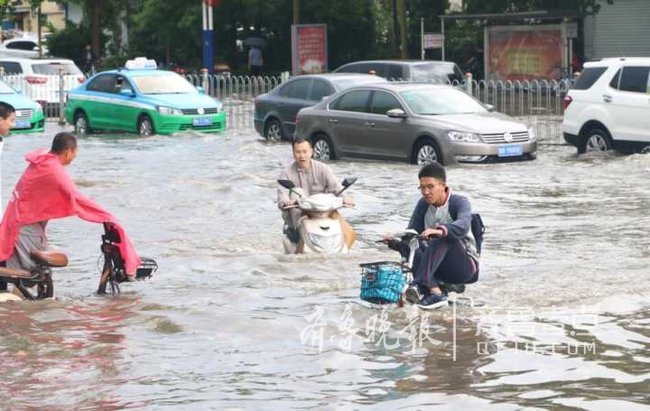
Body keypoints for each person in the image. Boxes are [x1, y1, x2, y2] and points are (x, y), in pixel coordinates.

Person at [0, 132, 141, 293]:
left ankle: (29, 309)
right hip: (25, 227)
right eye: (75, 152)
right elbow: (76, 199)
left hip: (19, 221)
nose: (74, 156)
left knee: (34, 279)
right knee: (32, 277)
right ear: (68, 152)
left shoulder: (44, 159)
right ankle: (23, 309)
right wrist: (106, 216)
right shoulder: (54, 170)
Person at [390, 163, 479, 309]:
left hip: (465, 267)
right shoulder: (423, 205)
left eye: (430, 187)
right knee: (409, 243)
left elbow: (463, 225)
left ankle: (419, 285)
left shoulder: (459, 202)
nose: (426, 192)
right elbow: (412, 233)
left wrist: (440, 230)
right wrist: (394, 242)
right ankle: (435, 291)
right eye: (422, 187)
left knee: (442, 238)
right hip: (435, 265)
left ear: (443, 186)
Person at [277, 138, 355, 249]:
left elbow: (337, 188)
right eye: (298, 152)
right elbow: (282, 194)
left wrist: (346, 198)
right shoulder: (286, 173)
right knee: (297, 192)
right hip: (300, 214)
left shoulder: (323, 169)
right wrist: (286, 202)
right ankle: (299, 251)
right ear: (293, 153)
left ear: (311, 152)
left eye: (305, 151)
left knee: (348, 232)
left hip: (324, 212)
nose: (302, 156)